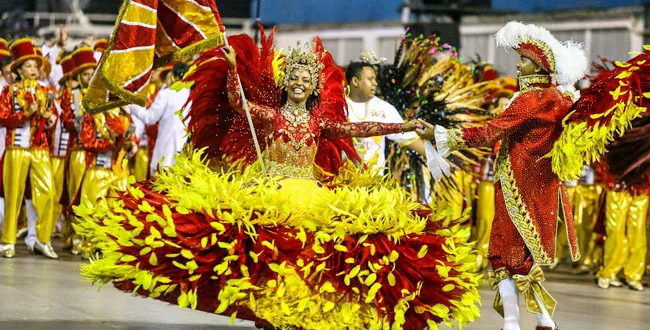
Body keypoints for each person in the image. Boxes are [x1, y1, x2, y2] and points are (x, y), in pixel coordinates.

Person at [74, 30, 481, 330]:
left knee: (309, 259)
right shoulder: (269, 116)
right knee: (265, 256)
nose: (301, 83)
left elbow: (360, 129)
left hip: (310, 194)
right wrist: (232, 69)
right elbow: (238, 103)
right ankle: (268, 311)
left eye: (308, 79)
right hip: (269, 191)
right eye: (295, 78)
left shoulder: (321, 122)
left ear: (315, 87)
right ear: (287, 84)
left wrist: (406, 123)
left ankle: (298, 312)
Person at [416, 22, 589, 330]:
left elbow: (489, 132)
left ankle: (512, 323)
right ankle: (544, 321)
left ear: (536, 64)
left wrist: (440, 133)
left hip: (517, 189)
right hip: (543, 188)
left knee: (502, 254)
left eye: (522, 59)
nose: (517, 64)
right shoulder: (560, 98)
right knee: (525, 258)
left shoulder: (530, 100)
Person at [0, 38, 59, 258]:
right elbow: (3, 118)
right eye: (28, 66)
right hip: (16, 148)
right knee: (13, 195)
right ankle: (8, 240)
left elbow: (50, 121)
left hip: (39, 148)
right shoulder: (10, 91)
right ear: (19, 69)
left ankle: (42, 239)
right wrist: (26, 113)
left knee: (49, 193)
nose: (34, 69)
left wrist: (49, 119)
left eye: (36, 65)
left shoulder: (46, 90)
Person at [345, 61, 425, 169]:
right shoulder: (336, 104)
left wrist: (439, 159)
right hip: (340, 181)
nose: (375, 83)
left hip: (374, 182)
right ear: (355, 81)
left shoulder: (383, 107)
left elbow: (408, 138)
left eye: (375, 79)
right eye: (370, 79)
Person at [126, 62, 190, 177]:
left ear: (173, 76)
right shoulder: (191, 94)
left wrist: (132, 105)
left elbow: (149, 118)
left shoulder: (166, 94)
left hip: (165, 152)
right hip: (184, 154)